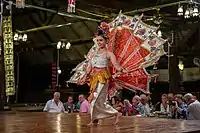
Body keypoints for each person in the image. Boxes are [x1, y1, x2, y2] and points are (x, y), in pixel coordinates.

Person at [79, 30, 129, 126]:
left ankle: (108, 115)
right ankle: (97, 119)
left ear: (106, 41)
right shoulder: (94, 53)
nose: (99, 42)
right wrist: (84, 76)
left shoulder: (109, 54)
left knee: (95, 100)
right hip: (94, 79)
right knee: (98, 101)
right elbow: (89, 67)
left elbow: (116, 65)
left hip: (103, 78)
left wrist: (122, 70)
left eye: (101, 40)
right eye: (97, 40)